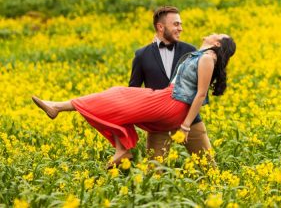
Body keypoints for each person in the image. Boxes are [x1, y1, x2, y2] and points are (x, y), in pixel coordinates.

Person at [32, 33, 236, 167]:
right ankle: (121, 150)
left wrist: (185, 126)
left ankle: (58, 107)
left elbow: (200, 94)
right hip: (168, 99)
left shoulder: (208, 58)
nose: (212, 33)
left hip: (172, 103)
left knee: (119, 95)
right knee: (120, 104)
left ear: (217, 43)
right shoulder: (198, 55)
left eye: (217, 34)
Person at [129, 6, 212, 159]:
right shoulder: (142, 55)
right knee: (154, 174)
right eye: (175, 24)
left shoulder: (190, 51)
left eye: (180, 24)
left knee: (209, 168)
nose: (180, 28)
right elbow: (132, 91)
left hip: (190, 122)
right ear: (160, 27)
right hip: (159, 125)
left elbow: (201, 86)